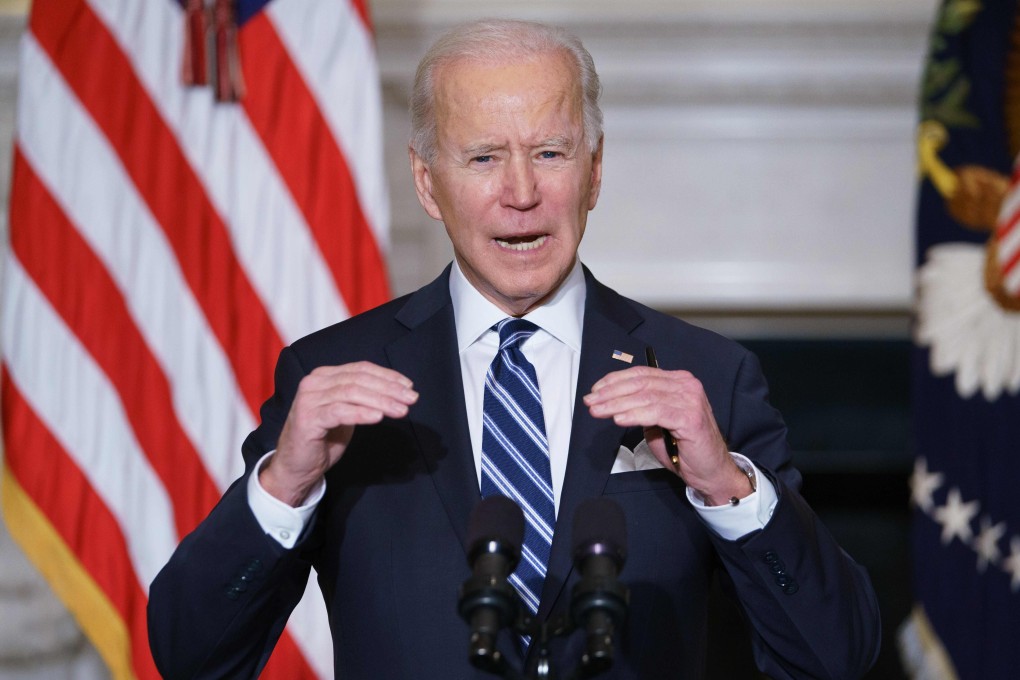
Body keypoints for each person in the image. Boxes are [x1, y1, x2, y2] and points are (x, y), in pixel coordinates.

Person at [148, 18, 880, 679]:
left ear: (594, 171)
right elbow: (192, 654)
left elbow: (835, 655)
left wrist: (728, 486)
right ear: (427, 182)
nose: (521, 192)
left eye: (551, 152)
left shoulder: (708, 378)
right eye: (484, 159)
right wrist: (284, 487)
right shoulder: (332, 377)